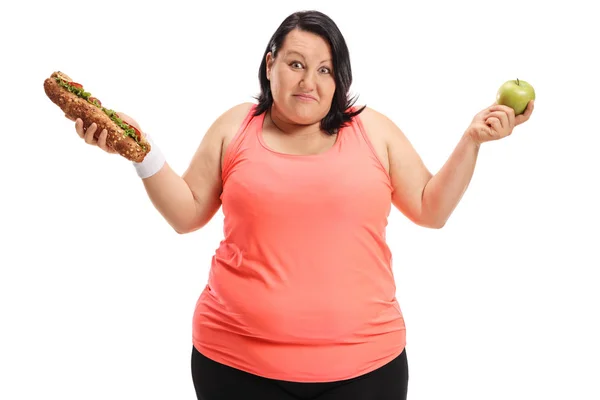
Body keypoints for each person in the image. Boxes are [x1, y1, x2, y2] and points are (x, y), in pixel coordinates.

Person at [71, 10, 534, 400]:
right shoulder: (236, 127)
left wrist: (473, 139)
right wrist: (140, 150)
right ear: (270, 64)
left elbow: (430, 210)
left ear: (340, 80)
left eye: (325, 69)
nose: (308, 81)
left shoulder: (374, 132)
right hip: (234, 366)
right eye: (295, 63)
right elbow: (186, 214)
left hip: (367, 368)